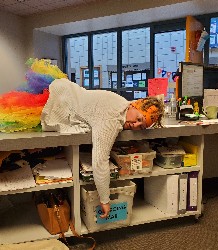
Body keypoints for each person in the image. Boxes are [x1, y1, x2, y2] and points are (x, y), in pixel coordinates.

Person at [41, 78, 164, 218]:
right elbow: (100, 162)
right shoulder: (112, 119)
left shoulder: (121, 102)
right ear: (135, 105)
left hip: (63, 89)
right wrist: (105, 200)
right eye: (138, 119)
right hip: (55, 102)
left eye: (141, 127)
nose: (135, 125)